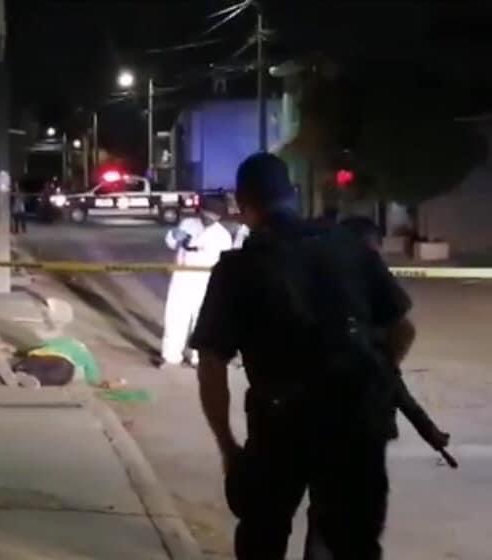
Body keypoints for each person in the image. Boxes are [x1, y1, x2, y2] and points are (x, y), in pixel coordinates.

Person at [191, 152, 418, 559]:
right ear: (292, 195)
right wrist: (380, 375)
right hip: (356, 422)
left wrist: (228, 448)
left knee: (263, 538)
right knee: (353, 544)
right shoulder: (349, 245)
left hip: (281, 427)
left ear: (243, 203)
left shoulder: (239, 267)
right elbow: (403, 329)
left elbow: (211, 365)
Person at [300, 215, 455, 560]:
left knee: (328, 514)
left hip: (334, 424)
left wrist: (427, 428)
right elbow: (398, 354)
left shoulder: (329, 289)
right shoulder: (366, 302)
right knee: (354, 523)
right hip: (357, 426)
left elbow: (394, 381)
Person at [156, 195, 232, 369]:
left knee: (202, 320)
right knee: (175, 317)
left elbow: (221, 262)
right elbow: (172, 243)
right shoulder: (188, 223)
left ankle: (199, 359)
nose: (207, 220)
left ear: (219, 218)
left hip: (206, 283)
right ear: (200, 212)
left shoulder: (223, 236)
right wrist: (174, 236)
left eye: (212, 218)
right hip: (181, 279)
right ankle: (170, 356)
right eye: (205, 215)